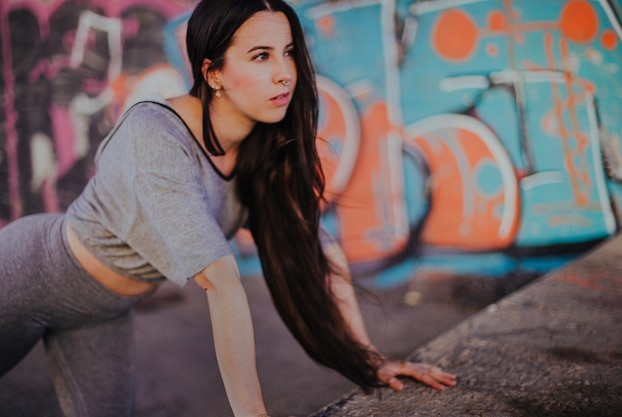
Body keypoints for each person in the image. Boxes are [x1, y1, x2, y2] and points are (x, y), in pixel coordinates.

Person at [0, 1, 457, 416]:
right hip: (30, 276)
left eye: (289, 52)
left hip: (104, 309)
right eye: (261, 56)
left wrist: (368, 360)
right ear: (213, 72)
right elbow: (220, 281)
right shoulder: (155, 134)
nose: (284, 73)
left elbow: (316, 250)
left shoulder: (262, 148)